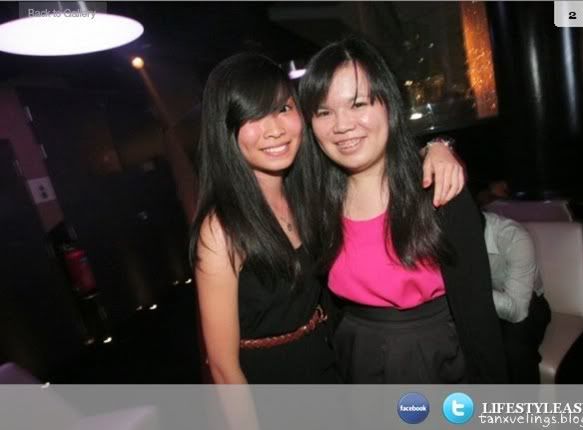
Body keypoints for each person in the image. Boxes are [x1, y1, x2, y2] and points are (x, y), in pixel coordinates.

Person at [189, 53, 464, 384]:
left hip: (333, 365)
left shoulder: (309, 194)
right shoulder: (221, 228)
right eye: (253, 116)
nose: (274, 130)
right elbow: (223, 368)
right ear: (226, 130)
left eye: (283, 109)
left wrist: (436, 147)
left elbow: (374, 153)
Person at [299, 37, 509, 383]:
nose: (342, 125)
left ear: (389, 105)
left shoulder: (438, 189)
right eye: (324, 112)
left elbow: (478, 311)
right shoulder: (317, 201)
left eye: (358, 104)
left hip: (436, 358)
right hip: (355, 354)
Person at [481, 211, 551, 383]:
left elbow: (518, 311)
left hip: (530, 302)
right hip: (487, 303)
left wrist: (472, 291)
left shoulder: (514, 237)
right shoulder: (447, 239)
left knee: (513, 350)